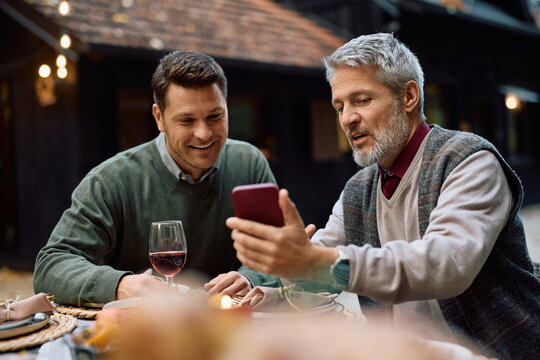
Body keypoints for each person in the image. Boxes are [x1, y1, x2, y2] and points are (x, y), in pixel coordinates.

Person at [224, 33, 540, 360]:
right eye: (340, 106)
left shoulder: (468, 161)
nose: (347, 118)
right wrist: (268, 281)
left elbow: (446, 265)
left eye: (361, 100)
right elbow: (329, 272)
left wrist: (316, 260)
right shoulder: (360, 187)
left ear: (408, 96)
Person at [33, 51, 275, 305]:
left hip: (233, 327)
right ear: (159, 117)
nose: (204, 133)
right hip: (139, 331)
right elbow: (51, 265)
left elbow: (282, 254)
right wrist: (120, 285)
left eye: (215, 116)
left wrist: (251, 278)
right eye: (186, 120)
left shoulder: (249, 163)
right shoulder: (109, 181)